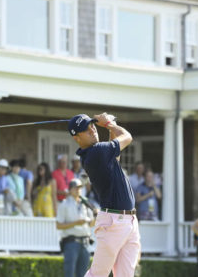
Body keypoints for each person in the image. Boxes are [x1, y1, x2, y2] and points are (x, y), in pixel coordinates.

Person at [68, 113, 140, 277]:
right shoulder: (96, 152)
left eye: (92, 125)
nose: (92, 130)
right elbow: (127, 137)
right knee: (97, 274)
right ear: (77, 138)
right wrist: (109, 123)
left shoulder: (99, 152)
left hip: (128, 222)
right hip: (113, 222)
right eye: (86, 130)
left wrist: (110, 126)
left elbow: (116, 156)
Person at [56, 179, 96, 277]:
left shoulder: (86, 204)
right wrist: (76, 223)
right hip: (71, 243)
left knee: (83, 274)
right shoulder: (64, 204)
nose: (78, 190)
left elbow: (91, 224)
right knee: (69, 273)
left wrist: (96, 216)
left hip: (85, 243)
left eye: (80, 188)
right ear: (70, 190)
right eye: (76, 188)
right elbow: (58, 225)